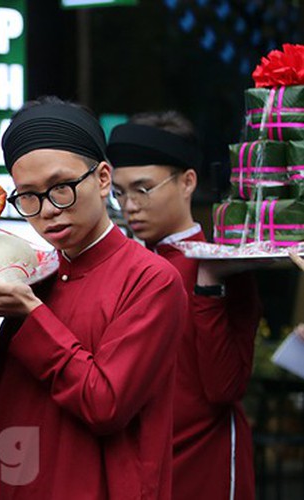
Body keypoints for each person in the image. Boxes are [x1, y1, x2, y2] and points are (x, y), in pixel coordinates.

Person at [0, 97, 186, 499]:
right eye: (29, 196)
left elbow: (105, 405)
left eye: (62, 188)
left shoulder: (152, 280)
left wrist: (32, 314)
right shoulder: (34, 275)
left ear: (103, 178)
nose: (48, 210)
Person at [109, 112, 262, 500]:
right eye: (120, 193)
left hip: (205, 458)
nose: (130, 206)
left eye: (143, 189)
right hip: (144, 456)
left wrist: (208, 285)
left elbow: (224, 387)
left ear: (188, 182)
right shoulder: (129, 266)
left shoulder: (224, 264)